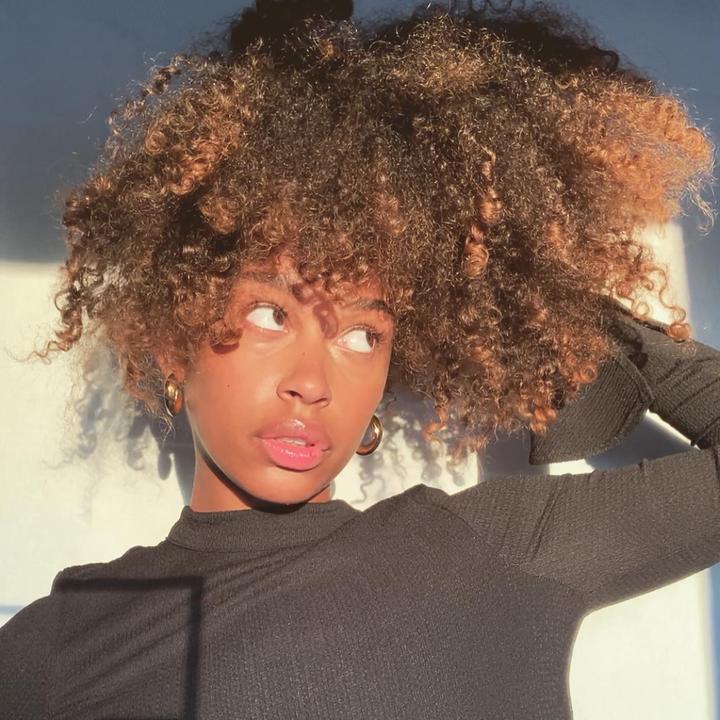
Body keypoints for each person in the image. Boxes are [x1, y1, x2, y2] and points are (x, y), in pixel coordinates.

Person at [1, 1, 718, 717]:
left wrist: (545, 301)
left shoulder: (494, 549)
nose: (312, 384)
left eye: (361, 336)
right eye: (270, 315)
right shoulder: (61, 646)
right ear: (170, 339)